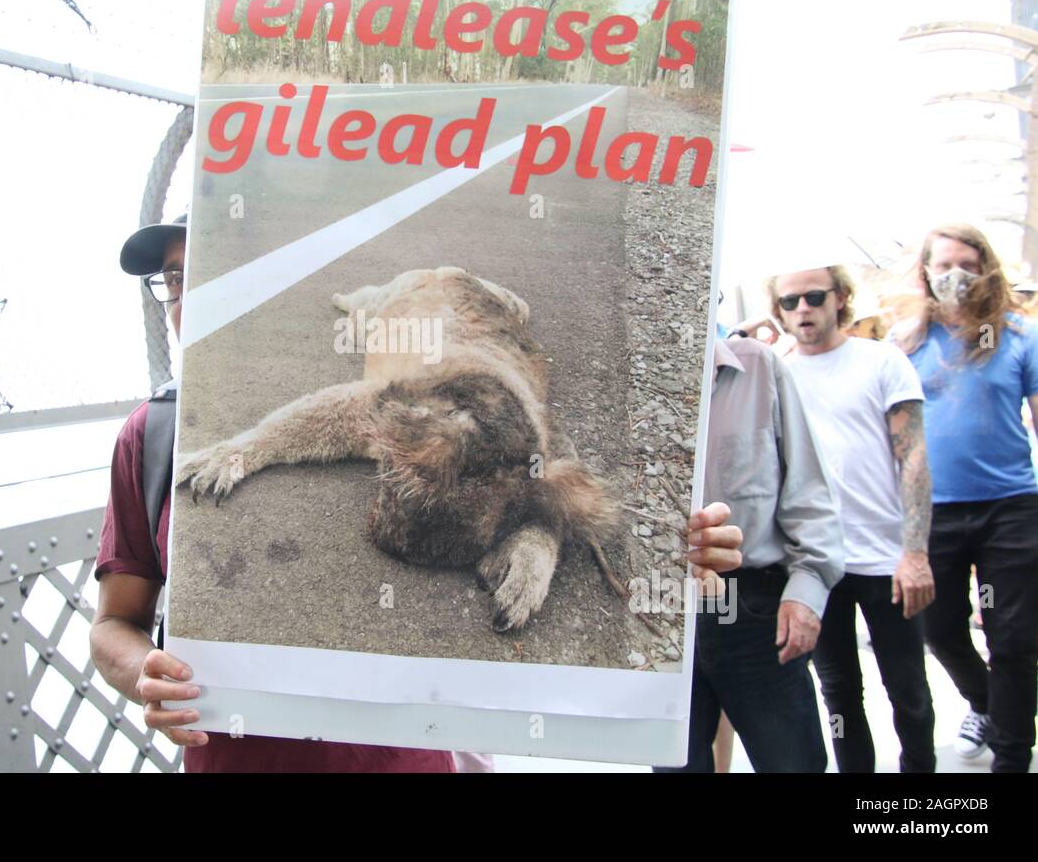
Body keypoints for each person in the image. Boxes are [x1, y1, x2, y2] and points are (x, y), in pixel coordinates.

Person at [88, 217, 746, 771]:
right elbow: (113, 627)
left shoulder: (507, 414)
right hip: (236, 762)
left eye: (204, 274)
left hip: (412, 766)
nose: (186, 296)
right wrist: (145, 672)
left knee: (484, 323)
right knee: (375, 302)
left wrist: (673, 555)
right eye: (173, 281)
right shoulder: (149, 437)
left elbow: (574, 490)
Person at [771, 264, 936, 773]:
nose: (803, 309)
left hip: (886, 559)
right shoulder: (775, 372)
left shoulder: (881, 360)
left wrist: (914, 553)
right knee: (840, 695)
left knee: (908, 690)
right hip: (818, 563)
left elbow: (913, 458)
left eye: (815, 296)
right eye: (789, 301)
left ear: (840, 298)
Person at [656, 334, 845, 773]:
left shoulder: (759, 366)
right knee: (674, 763)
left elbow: (809, 490)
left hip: (753, 607)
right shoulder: (625, 369)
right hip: (660, 602)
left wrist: (806, 590)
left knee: (790, 761)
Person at [894, 224, 1038, 773]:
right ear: (927, 272)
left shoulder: (1018, 337)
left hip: (1011, 507)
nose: (957, 275)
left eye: (969, 264)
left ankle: (1011, 757)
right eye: (945, 264)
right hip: (933, 511)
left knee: (1014, 640)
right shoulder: (905, 345)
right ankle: (986, 705)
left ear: (987, 271)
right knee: (941, 629)